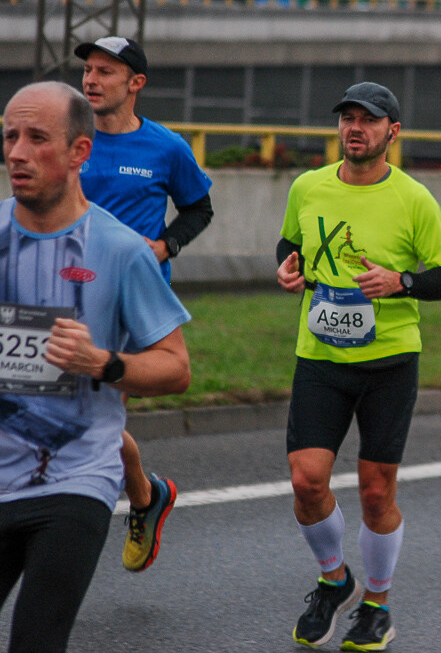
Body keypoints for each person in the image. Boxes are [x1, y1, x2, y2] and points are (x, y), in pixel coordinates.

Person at [0, 81, 191, 653]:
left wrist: (104, 363)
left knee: (35, 640)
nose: (16, 152)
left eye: (37, 138)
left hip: (74, 479)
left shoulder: (121, 249)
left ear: (79, 152)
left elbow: (175, 367)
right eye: (10, 136)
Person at [276, 81, 441, 651]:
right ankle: (335, 581)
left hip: (389, 361)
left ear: (392, 132)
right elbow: (289, 247)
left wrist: (400, 281)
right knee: (307, 481)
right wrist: (289, 272)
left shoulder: (414, 200)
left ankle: (377, 604)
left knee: (376, 493)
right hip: (322, 357)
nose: (355, 128)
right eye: (348, 119)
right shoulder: (308, 187)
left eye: (369, 120)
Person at [74, 35, 214, 573]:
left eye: (105, 71)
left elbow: (198, 208)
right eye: (88, 69)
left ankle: (92, 513)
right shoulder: (71, 138)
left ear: (136, 84)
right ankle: (145, 496)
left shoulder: (166, 146)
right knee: (87, 414)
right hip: (66, 294)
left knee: (95, 412)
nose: (91, 79)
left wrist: (165, 244)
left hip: (133, 303)